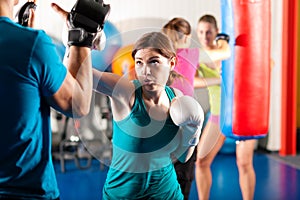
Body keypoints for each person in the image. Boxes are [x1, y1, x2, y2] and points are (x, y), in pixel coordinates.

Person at [0, 0, 108, 199]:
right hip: (25, 192)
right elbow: (77, 104)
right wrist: (81, 36)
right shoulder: (30, 44)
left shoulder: (26, 45)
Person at [93, 31, 204, 200]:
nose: (146, 71)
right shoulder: (126, 92)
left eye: (154, 62)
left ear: (172, 62)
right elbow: (76, 75)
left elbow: (183, 156)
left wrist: (194, 131)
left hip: (167, 192)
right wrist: (78, 41)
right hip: (123, 195)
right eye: (139, 63)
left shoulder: (177, 98)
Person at [193, 14, 257, 200]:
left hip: (242, 115)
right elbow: (187, 78)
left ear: (216, 31)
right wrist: (213, 79)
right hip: (217, 115)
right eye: (202, 32)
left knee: (244, 163)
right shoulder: (199, 57)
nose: (205, 36)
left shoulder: (227, 50)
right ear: (198, 33)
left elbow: (262, 64)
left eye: (209, 31)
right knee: (201, 161)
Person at [162, 17, 199, 200]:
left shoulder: (163, 56)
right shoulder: (191, 53)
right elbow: (224, 52)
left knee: (164, 175)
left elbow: (188, 81)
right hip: (185, 123)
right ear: (187, 36)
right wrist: (223, 39)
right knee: (183, 176)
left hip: (163, 121)